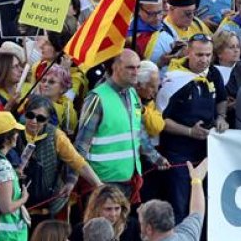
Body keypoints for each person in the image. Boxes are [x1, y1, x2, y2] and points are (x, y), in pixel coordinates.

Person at [75, 50, 169, 196]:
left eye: (138, 67)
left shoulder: (132, 94)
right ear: (115, 67)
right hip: (101, 182)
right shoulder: (97, 98)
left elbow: (138, 134)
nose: (136, 72)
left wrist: (156, 158)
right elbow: (81, 146)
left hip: (128, 179)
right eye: (130, 67)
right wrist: (72, 181)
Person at [155, 34, 226, 222]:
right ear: (188, 52)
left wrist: (221, 117)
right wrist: (189, 131)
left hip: (206, 151)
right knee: (181, 205)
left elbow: (222, 100)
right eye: (199, 55)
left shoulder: (213, 73)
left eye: (208, 55)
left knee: (206, 203)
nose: (204, 60)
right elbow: (161, 121)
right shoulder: (172, 80)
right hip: (179, 153)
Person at [19, 96, 102, 227]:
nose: (34, 121)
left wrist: (99, 186)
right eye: (30, 115)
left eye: (40, 118)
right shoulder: (14, 130)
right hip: (16, 205)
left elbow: (78, 163)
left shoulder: (56, 136)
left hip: (47, 206)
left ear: (47, 120)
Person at [137, 159, 207, 241]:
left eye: (141, 223)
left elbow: (197, 213)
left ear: (149, 229)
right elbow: (197, 211)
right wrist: (197, 180)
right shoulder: (187, 235)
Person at [0, 111, 29, 241]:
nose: (17, 135)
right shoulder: (2, 165)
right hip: (3, 236)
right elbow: (6, 208)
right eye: (15, 131)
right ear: (7, 138)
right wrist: (24, 198)